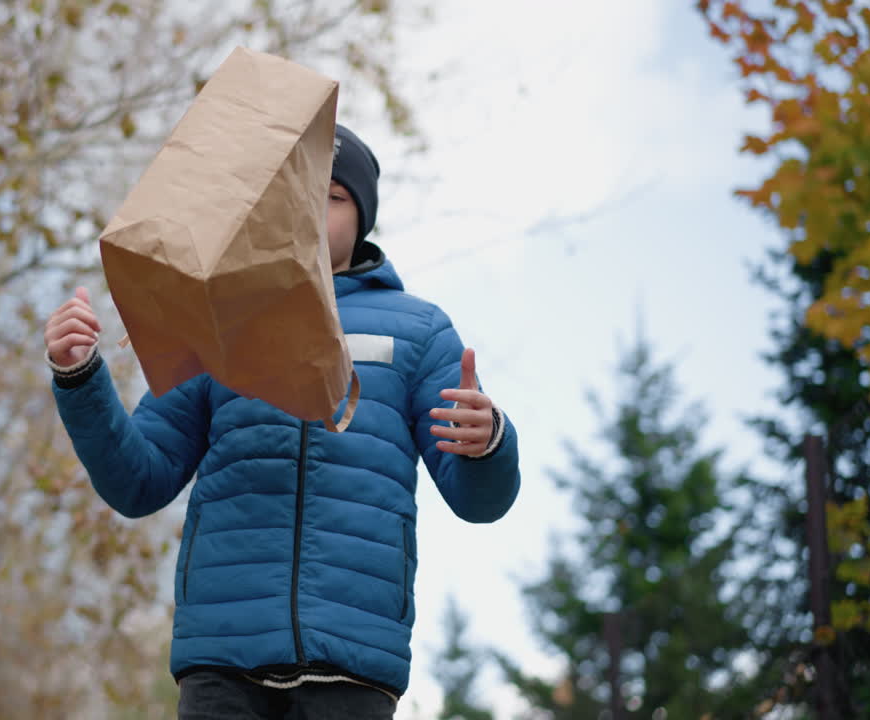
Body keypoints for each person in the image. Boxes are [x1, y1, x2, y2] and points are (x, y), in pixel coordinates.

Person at [44, 124, 520, 719]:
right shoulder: (218, 320)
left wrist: (488, 443)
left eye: (333, 196)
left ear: (361, 217)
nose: (311, 209)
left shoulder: (420, 331)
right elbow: (138, 481)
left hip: (354, 662)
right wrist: (81, 378)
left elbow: (481, 501)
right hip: (221, 660)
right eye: (297, 193)